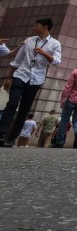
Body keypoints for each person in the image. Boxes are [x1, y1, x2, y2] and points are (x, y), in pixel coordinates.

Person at [0, 18, 62, 147]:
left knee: (24, 110)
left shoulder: (55, 44)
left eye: (37, 25)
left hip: (36, 80)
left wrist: (44, 53)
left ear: (45, 27)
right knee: (12, 103)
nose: (34, 27)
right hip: (21, 76)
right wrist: (9, 78)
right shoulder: (29, 41)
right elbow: (17, 61)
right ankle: (1, 134)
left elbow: (56, 61)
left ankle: (11, 139)